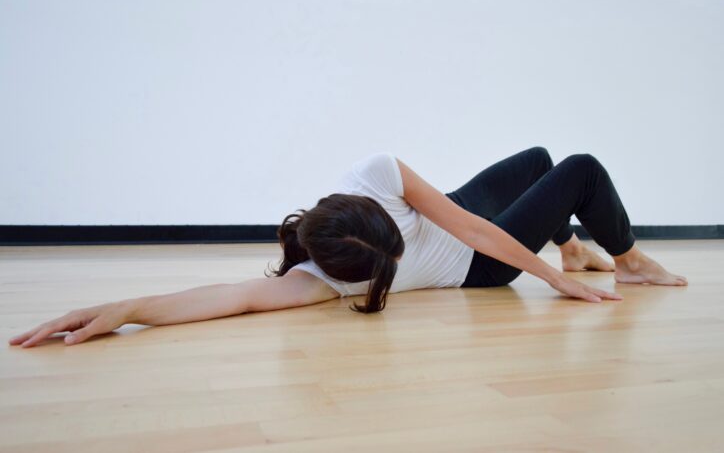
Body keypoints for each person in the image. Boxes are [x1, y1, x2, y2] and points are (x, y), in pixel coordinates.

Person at [8, 147, 687, 348]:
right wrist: (125, 307)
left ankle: (571, 251)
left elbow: (468, 220)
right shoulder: (317, 279)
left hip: (466, 230)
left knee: (536, 159)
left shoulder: (376, 174)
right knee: (579, 170)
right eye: (383, 274)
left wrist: (555, 279)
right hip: (477, 268)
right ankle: (629, 258)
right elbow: (227, 298)